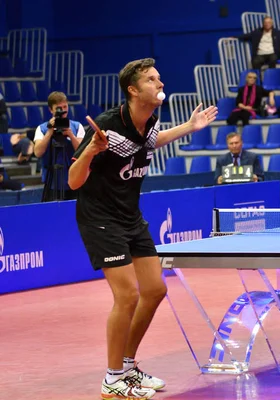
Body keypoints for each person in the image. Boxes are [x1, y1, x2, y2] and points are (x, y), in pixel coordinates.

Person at [68, 58, 218, 399]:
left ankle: (128, 366)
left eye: (159, 78)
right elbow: (74, 182)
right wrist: (91, 149)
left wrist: (189, 127)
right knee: (127, 296)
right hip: (100, 218)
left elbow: (151, 141)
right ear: (133, 90)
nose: (160, 84)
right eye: (152, 80)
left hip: (131, 216)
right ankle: (111, 379)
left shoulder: (150, 121)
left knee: (154, 290)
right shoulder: (106, 126)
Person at [34, 91, 86, 201]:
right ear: (51, 110)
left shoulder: (77, 126)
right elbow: (38, 152)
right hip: (52, 181)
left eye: (65, 106)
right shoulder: (42, 128)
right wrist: (49, 132)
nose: (63, 111)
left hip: (74, 179)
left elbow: (83, 152)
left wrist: (71, 135)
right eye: (59, 108)